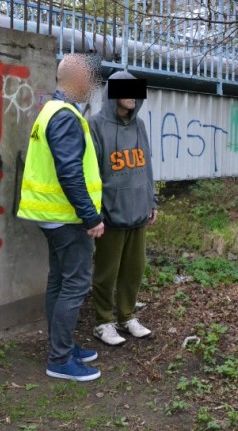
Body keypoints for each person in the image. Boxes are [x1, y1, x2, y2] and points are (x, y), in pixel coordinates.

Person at [17, 53, 105, 382]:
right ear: (79, 80)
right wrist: (91, 217)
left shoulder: (51, 110)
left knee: (59, 280)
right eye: (91, 81)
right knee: (76, 284)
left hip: (50, 215)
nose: (93, 87)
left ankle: (62, 345)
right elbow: (70, 174)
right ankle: (60, 358)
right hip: (66, 218)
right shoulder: (66, 116)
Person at [89, 71, 157, 346]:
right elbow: (91, 171)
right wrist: (97, 212)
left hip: (138, 211)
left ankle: (127, 316)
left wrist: (152, 200)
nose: (132, 95)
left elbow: (146, 166)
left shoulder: (140, 125)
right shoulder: (96, 125)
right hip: (111, 214)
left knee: (134, 268)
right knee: (107, 271)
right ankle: (103, 322)